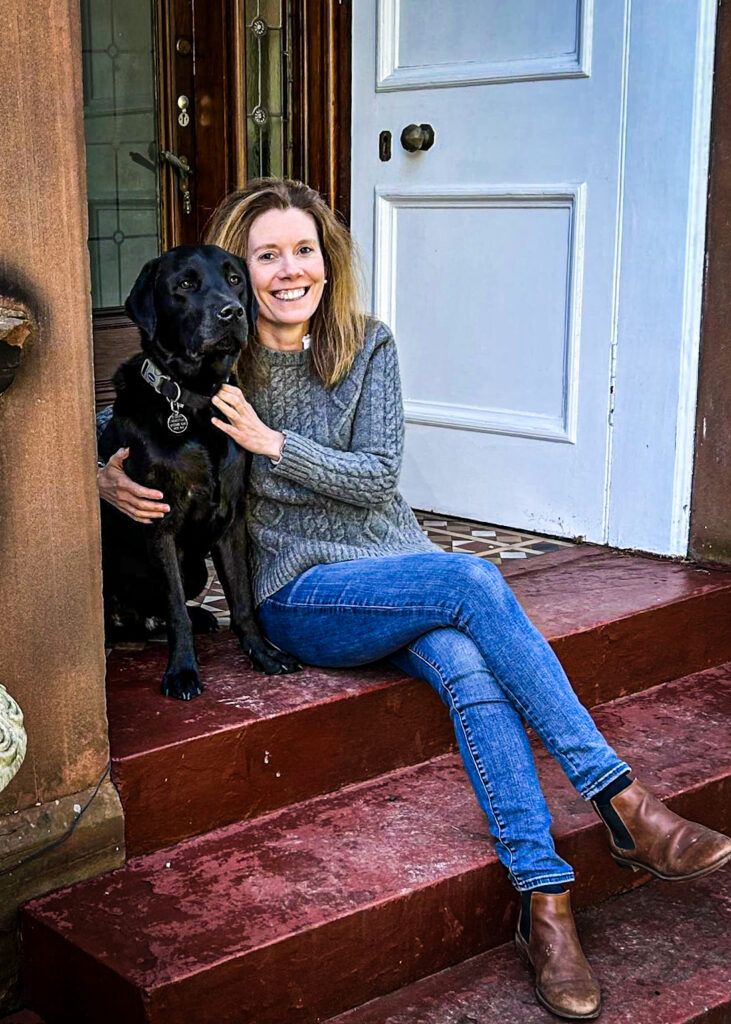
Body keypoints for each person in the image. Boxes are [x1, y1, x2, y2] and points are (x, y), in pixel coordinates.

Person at [97, 178, 731, 1022]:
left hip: (394, 572)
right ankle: (622, 800)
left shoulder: (368, 346)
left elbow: (376, 481)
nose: (288, 271)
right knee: (472, 578)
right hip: (299, 593)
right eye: (265, 256)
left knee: (469, 662)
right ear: (235, 272)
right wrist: (100, 473)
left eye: (304, 250)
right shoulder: (212, 353)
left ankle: (544, 904)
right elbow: (133, 413)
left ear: (327, 259)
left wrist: (269, 441)